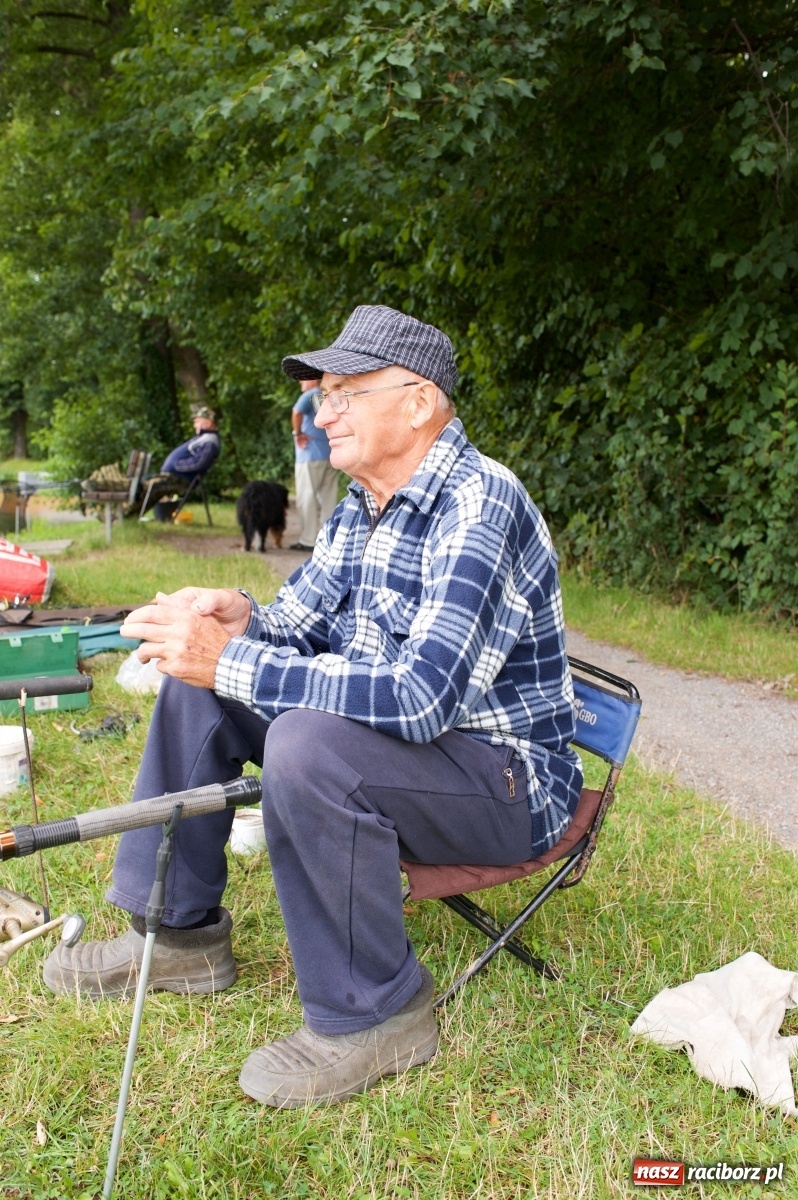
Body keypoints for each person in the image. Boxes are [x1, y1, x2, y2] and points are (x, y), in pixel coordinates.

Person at [44, 305, 583, 1110]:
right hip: (412, 751)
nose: (321, 411)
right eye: (322, 392)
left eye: (345, 392)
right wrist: (236, 618)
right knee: (206, 684)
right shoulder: (365, 501)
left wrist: (239, 659)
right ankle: (178, 937)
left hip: (504, 781)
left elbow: (422, 698)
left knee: (303, 740)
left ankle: (378, 1010)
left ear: (418, 402)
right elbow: (300, 624)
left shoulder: (479, 503)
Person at [290, 378, 338, 551]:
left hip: (309, 455)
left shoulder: (309, 394)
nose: (300, 382)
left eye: (303, 379)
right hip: (330, 454)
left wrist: (297, 434)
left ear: (312, 380)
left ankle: (308, 540)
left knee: (306, 497)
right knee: (328, 498)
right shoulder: (328, 395)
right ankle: (329, 540)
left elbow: (296, 413)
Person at [159, 404, 220, 481]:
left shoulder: (209, 441)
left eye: (197, 422)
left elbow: (199, 462)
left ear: (208, 423)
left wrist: (176, 465)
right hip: (173, 476)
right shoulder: (203, 438)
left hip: (179, 478)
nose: (194, 426)